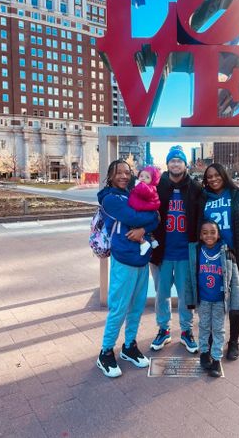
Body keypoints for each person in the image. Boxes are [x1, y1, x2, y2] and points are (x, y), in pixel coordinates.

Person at [96, 159, 159, 378]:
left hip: (141, 260)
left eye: (127, 172)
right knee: (119, 307)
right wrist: (148, 218)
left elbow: (156, 218)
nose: (124, 176)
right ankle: (105, 352)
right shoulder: (110, 199)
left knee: (137, 306)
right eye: (118, 173)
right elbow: (133, 216)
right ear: (110, 176)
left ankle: (129, 346)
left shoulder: (132, 194)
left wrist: (143, 227)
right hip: (124, 259)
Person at [199, 162, 239, 361]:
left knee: (235, 301)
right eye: (209, 176)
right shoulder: (202, 198)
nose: (213, 179)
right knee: (210, 300)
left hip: (236, 257)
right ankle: (209, 338)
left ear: (224, 175)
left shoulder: (237, 196)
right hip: (212, 257)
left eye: (217, 175)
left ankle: (233, 341)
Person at [150, 145, 202, 353]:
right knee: (161, 294)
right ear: (168, 164)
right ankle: (163, 329)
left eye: (179, 160)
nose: (175, 163)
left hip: (185, 252)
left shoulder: (195, 188)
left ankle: (186, 331)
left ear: (185, 164)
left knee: (185, 295)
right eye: (172, 160)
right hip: (163, 252)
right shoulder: (158, 187)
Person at [185, 220, 239, 377]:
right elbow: (190, 278)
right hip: (203, 300)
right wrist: (190, 300)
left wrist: (235, 304)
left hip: (219, 301)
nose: (208, 235)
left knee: (218, 329)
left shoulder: (227, 254)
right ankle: (204, 352)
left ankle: (216, 358)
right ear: (200, 235)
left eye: (212, 232)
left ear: (218, 234)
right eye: (205, 232)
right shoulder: (197, 252)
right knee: (203, 327)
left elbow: (235, 282)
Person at [128, 165, 161, 255]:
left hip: (143, 209)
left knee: (134, 228)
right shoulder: (144, 187)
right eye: (141, 176)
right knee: (145, 228)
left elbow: (145, 192)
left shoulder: (149, 188)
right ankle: (153, 241)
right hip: (142, 208)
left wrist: (138, 184)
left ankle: (143, 242)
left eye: (147, 177)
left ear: (152, 180)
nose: (143, 179)